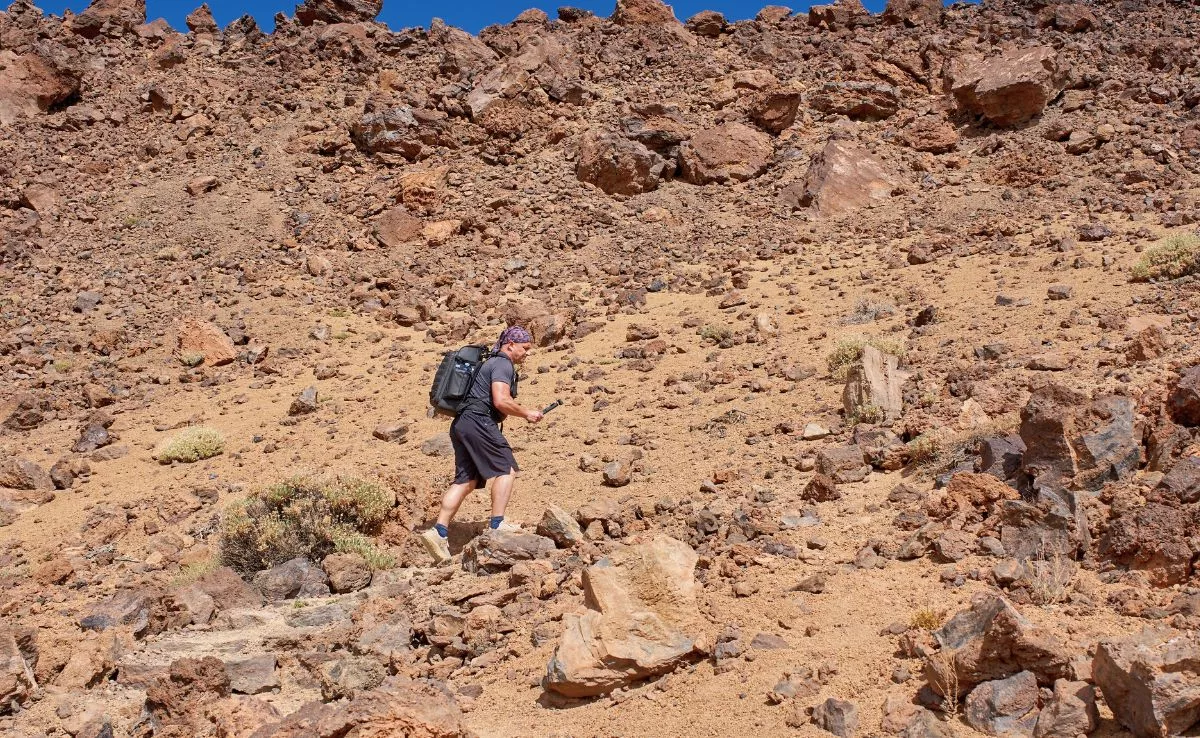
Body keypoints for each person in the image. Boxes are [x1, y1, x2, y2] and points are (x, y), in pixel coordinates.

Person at [421, 325, 543, 564]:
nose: (528, 353)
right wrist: (527, 412)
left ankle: (439, 532)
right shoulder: (503, 364)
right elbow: (501, 400)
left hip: (461, 424)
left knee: (466, 480)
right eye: (525, 348)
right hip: (479, 421)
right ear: (511, 345)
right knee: (506, 468)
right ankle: (498, 525)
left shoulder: (489, 363)